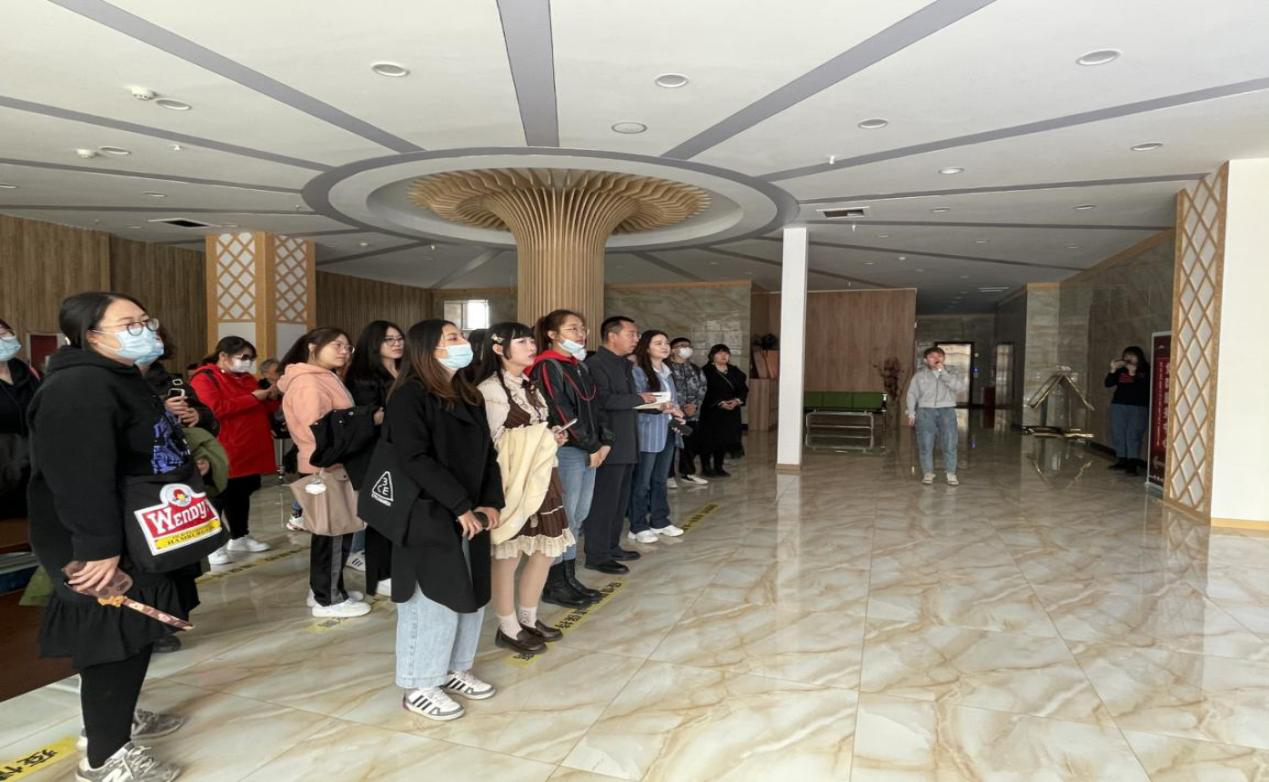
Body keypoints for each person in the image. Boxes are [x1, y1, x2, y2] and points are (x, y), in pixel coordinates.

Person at [27, 292, 186, 781]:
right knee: (111, 639)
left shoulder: (119, 378)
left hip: (133, 529)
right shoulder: (78, 387)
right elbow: (79, 477)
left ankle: (119, 719)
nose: (145, 330)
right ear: (90, 335)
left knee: (134, 634)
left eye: (146, 320)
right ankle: (104, 757)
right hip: (96, 540)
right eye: (129, 324)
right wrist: (97, 549)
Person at [385, 319, 502, 721]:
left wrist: (490, 501)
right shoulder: (409, 396)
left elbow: (488, 454)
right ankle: (419, 684)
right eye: (452, 337)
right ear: (426, 349)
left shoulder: (469, 394)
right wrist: (458, 505)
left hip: (470, 509)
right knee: (431, 599)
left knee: (470, 592)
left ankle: (455, 667)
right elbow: (414, 459)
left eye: (461, 336)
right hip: (428, 510)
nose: (462, 342)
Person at [474, 322, 573, 655]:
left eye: (532, 340)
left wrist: (552, 436)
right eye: (522, 342)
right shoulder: (490, 390)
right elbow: (493, 443)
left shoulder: (529, 384)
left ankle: (529, 618)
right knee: (509, 554)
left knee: (546, 551)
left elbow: (535, 429)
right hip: (511, 483)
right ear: (498, 348)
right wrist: (542, 437)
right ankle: (508, 626)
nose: (532, 347)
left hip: (542, 478)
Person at [278, 328, 371, 619]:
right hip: (325, 466)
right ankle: (328, 600)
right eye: (337, 345)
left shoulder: (324, 376)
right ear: (312, 346)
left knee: (335, 531)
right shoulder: (308, 381)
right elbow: (316, 430)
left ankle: (325, 590)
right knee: (332, 534)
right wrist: (366, 422)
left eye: (347, 346)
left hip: (332, 464)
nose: (344, 351)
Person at [138, 326, 216, 656]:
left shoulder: (173, 381)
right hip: (140, 481)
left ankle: (172, 617)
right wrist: (161, 410)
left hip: (178, 476)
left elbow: (208, 419)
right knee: (148, 557)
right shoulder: (110, 384)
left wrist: (197, 414)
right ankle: (151, 625)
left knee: (178, 553)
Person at [529, 310, 610, 607]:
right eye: (572, 329)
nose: (580, 334)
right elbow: (560, 411)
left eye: (582, 329)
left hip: (589, 448)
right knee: (563, 517)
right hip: (567, 450)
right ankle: (555, 583)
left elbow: (597, 406)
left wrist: (605, 441)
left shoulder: (579, 366)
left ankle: (568, 577)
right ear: (552, 334)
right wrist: (592, 445)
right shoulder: (546, 366)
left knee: (578, 515)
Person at [583, 316, 664, 575]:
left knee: (619, 502)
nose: (636, 339)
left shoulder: (624, 365)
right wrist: (638, 398)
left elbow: (628, 402)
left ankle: (612, 546)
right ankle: (597, 555)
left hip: (627, 442)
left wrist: (651, 404)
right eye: (632, 334)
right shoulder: (596, 365)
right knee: (604, 502)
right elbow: (603, 400)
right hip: (609, 444)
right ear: (612, 336)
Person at [190, 337, 279, 565]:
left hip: (248, 447)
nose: (247, 362)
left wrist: (272, 396)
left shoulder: (246, 378)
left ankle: (240, 535)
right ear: (223, 356)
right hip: (224, 447)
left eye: (251, 358)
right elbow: (214, 408)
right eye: (243, 357)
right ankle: (213, 545)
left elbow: (260, 406)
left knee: (241, 493)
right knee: (218, 495)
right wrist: (252, 398)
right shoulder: (205, 377)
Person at [342, 320, 404, 596]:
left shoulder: (405, 370)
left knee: (399, 514)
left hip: (403, 452)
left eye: (399, 338)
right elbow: (371, 418)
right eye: (389, 339)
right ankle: (380, 576)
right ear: (374, 343)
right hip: (375, 454)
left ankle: (397, 568)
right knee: (381, 516)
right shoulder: (362, 378)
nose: (397, 343)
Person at [628, 331, 687, 544]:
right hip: (647, 432)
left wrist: (678, 412)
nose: (665, 346)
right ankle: (638, 525)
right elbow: (636, 402)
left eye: (666, 343)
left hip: (667, 430)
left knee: (660, 479)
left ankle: (660, 520)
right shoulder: (638, 371)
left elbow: (673, 399)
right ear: (646, 347)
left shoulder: (667, 371)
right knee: (642, 482)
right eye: (658, 343)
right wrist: (661, 407)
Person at [905, 346, 968, 486]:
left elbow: (959, 387)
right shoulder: (920, 375)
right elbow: (912, 394)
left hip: (947, 410)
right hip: (925, 411)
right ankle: (928, 473)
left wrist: (943, 372)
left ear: (944, 358)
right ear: (925, 360)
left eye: (940, 356)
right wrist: (911, 413)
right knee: (925, 443)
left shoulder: (952, 372)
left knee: (950, 443)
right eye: (932, 356)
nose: (936, 359)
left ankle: (951, 473)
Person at [0, 317, 41, 520]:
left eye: (4, 333)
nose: (2, 340)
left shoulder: (26, 370)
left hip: (34, 462)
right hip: (5, 467)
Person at [698, 344, 749, 477]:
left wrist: (737, 401)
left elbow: (743, 389)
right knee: (709, 440)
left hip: (731, 411)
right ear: (712, 356)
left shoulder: (734, 371)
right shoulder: (705, 371)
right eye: (719, 353)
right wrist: (719, 403)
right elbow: (703, 391)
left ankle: (719, 466)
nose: (723, 355)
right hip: (711, 411)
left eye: (726, 353)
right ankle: (706, 467)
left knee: (724, 439)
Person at [666, 337, 708, 487]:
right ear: (672, 350)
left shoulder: (695, 369)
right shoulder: (666, 367)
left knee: (689, 444)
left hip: (691, 415)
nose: (686, 348)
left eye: (689, 346)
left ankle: (688, 473)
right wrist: (676, 407)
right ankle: (668, 475)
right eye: (682, 345)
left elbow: (702, 388)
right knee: (670, 444)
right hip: (672, 415)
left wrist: (695, 406)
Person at [1105, 346, 1151, 475]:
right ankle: (1121, 459)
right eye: (1126, 356)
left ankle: (1132, 463)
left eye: (1132, 356)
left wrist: (1133, 373)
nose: (1128, 358)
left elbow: (1144, 386)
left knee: (1133, 434)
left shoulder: (1145, 370)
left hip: (1137, 407)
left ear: (1139, 357)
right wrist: (1113, 370)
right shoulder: (1121, 370)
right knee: (1118, 432)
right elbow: (1108, 383)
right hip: (1119, 405)